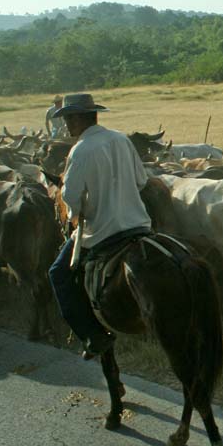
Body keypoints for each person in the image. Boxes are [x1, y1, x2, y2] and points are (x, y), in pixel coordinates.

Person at [47, 93, 152, 359]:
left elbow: (70, 197)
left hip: (101, 231)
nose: (67, 124)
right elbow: (141, 181)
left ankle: (92, 335)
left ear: (82, 118)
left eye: (70, 118)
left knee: (58, 274)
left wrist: (80, 210)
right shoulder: (121, 138)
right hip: (138, 223)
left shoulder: (80, 150)